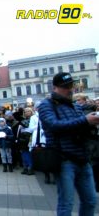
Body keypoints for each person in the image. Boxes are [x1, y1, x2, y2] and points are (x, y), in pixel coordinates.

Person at [38, 72, 99, 216]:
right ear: (55, 88)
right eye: (66, 86)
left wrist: (91, 124)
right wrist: (85, 121)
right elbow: (54, 125)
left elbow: (79, 127)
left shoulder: (75, 106)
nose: (70, 89)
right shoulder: (46, 105)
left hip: (83, 159)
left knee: (90, 201)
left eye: (71, 85)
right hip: (64, 160)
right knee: (66, 203)